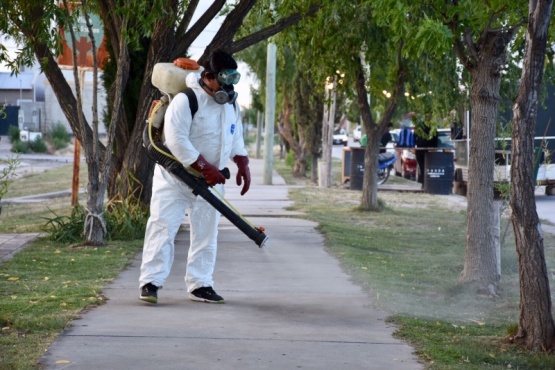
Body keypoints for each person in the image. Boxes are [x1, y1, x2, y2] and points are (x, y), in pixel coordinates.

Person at [139, 49, 250, 304]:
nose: (227, 87)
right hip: (176, 179)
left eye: (232, 80)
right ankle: (151, 282)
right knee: (163, 227)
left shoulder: (230, 103)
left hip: (211, 182)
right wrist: (204, 167)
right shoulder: (187, 100)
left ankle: (200, 284)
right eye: (223, 80)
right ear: (208, 76)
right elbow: (177, 140)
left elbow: (234, 135)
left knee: (206, 232)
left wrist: (242, 161)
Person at [414, 113, 438, 185]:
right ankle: (424, 182)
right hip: (424, 149)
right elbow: (435, 138)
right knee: (424, 167)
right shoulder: (430, 126)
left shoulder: (421, 126)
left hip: (424, 149)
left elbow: (435, 137)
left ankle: (424, 182)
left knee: (423, 167)